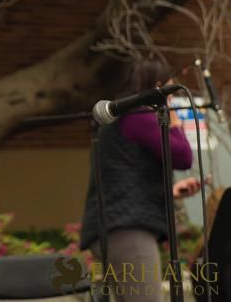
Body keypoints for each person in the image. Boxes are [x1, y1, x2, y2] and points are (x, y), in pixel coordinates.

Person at [80, 59, 202, 302]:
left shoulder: (124, 119)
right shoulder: (138, 117)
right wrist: (175, 123)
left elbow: (125, 175)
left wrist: (171, 191)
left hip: (115, 227)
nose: (172, 97)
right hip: (128, 230)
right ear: (158, 87)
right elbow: (182, 156)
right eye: (170, 89)